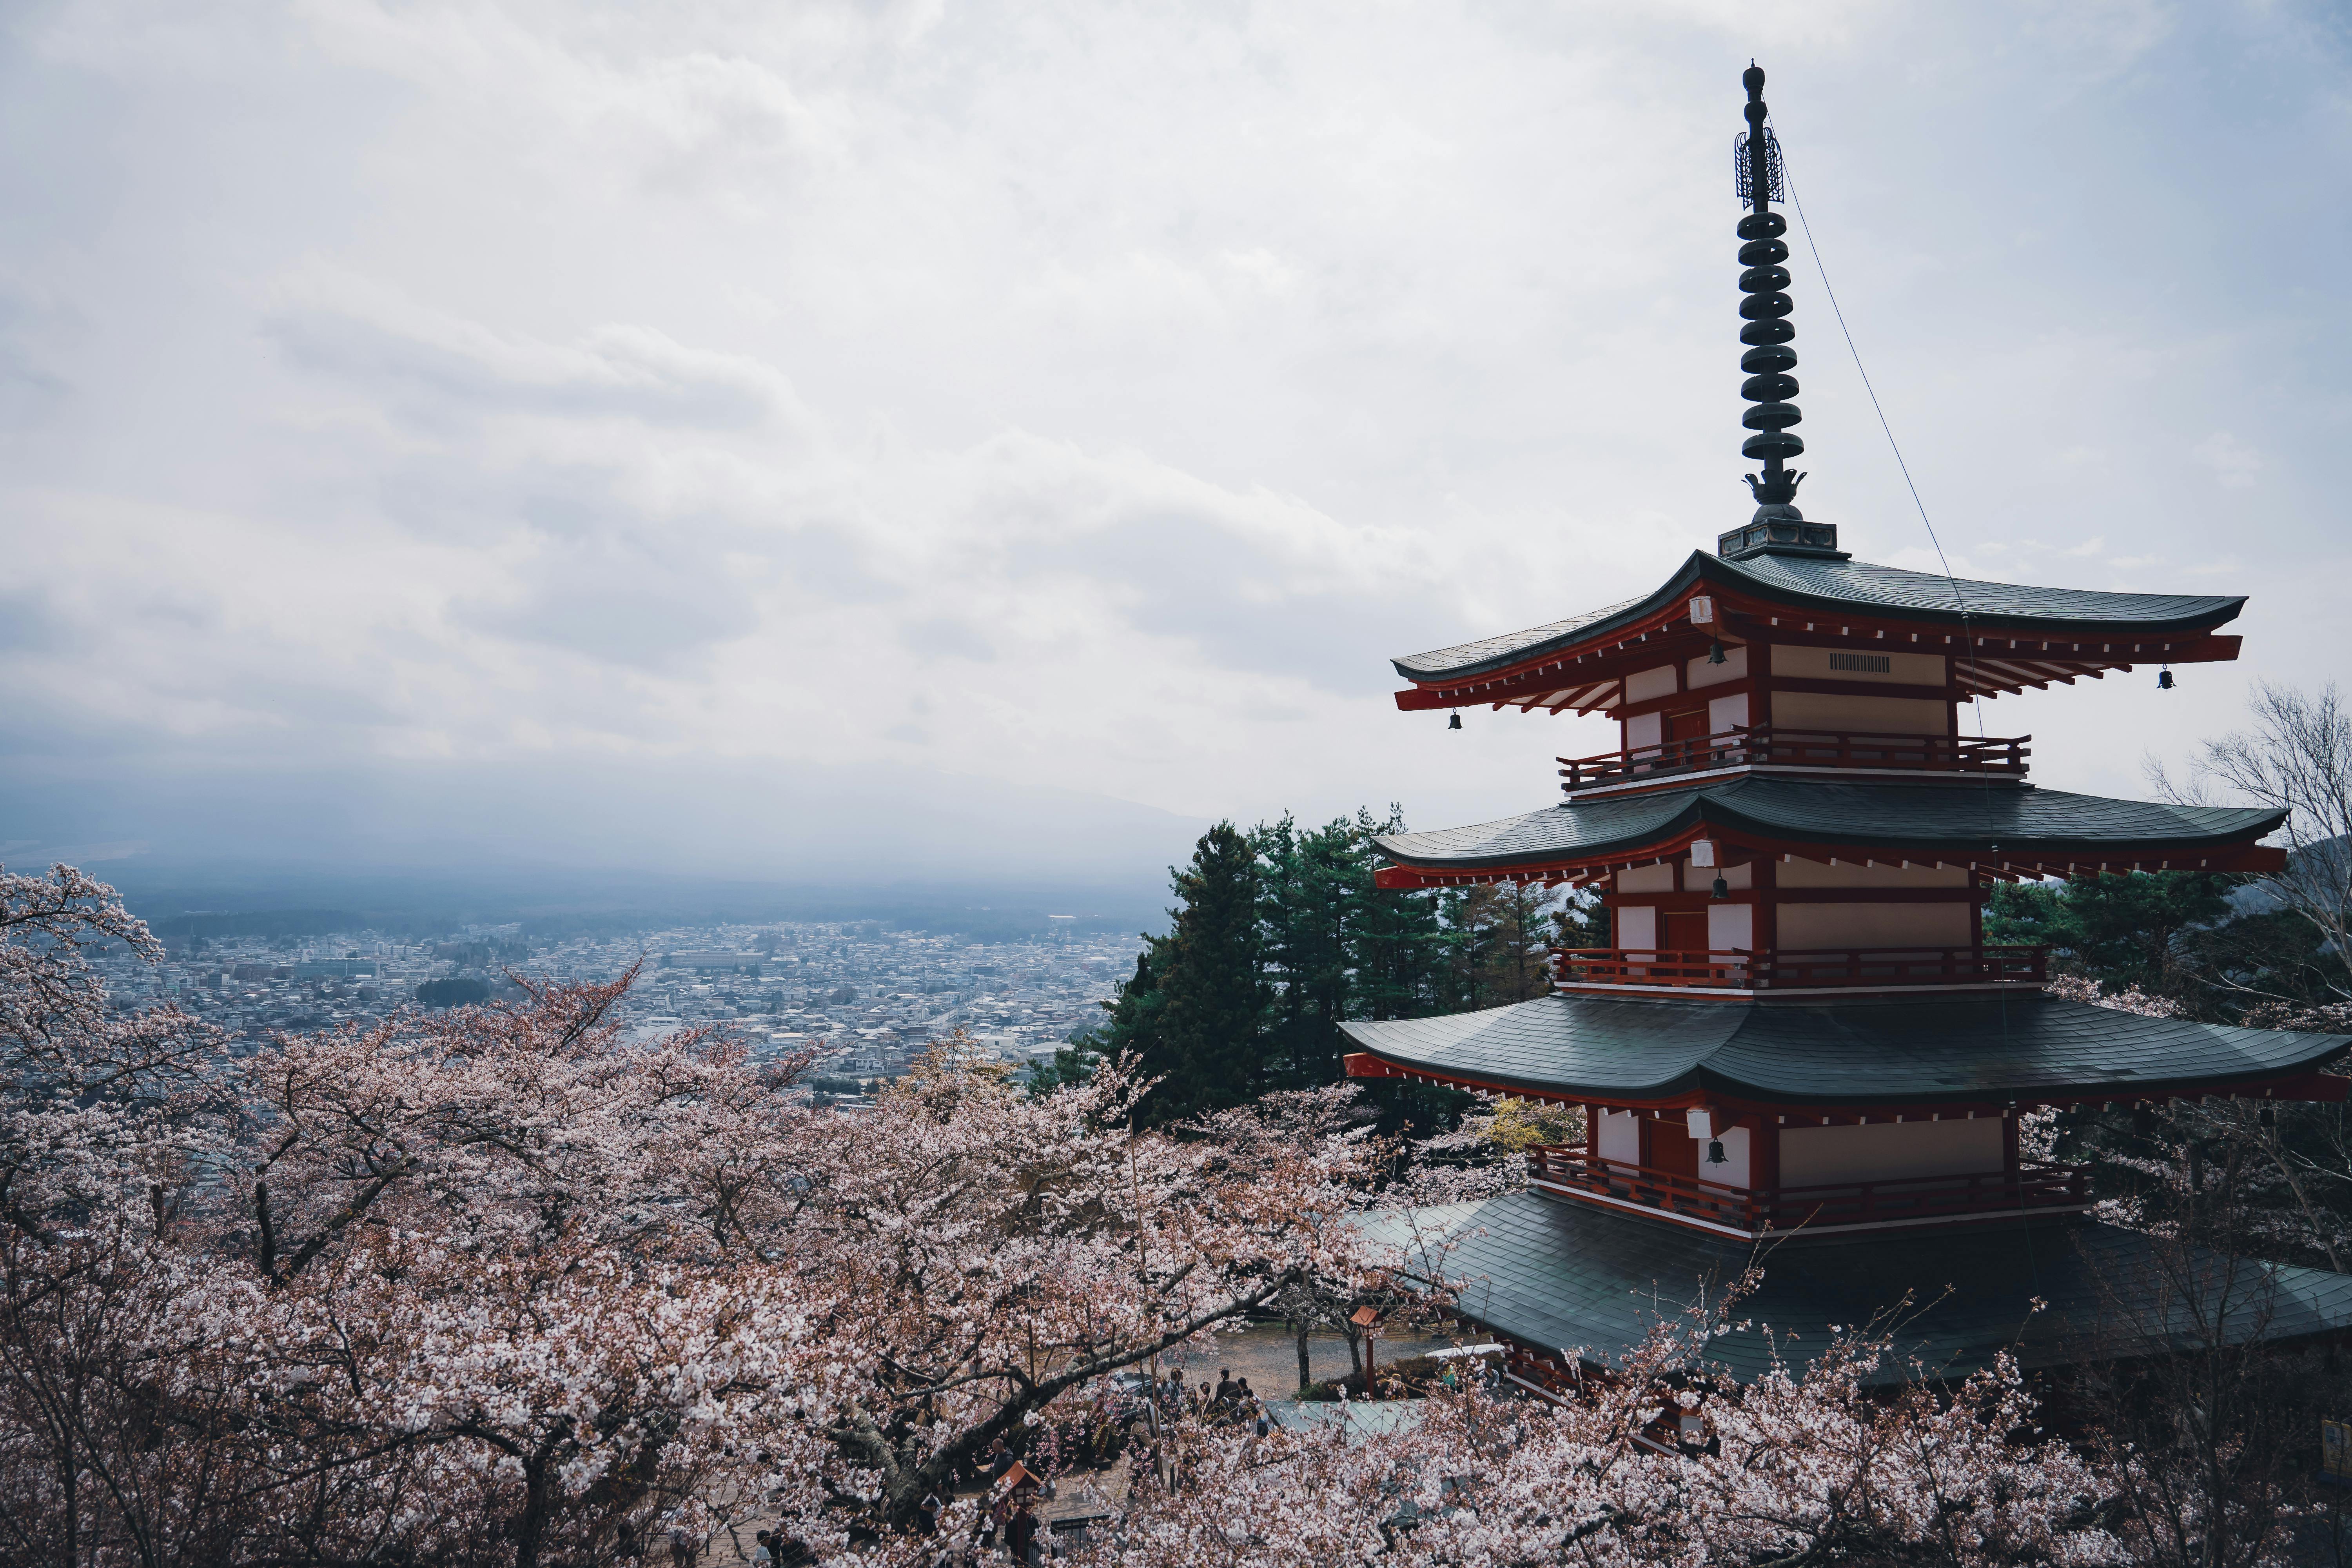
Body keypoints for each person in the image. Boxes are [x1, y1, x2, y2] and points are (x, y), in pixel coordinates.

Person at [1007, 1501, 1040, 1567]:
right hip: (1018, 1554)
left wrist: (1036, 1537)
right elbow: (1007, 1539)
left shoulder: (1032, 1518)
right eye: (1026, 1509)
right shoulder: (1013, 1521)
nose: (1029, 1512)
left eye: (1030, 1509)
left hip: (1032, 1554)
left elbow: (1038, 1530)